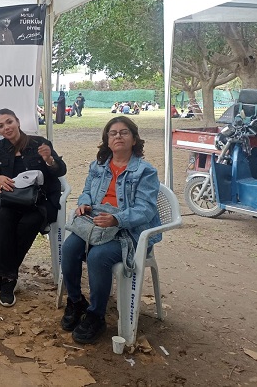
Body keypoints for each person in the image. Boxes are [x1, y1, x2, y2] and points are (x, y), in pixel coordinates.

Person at [60, 116, 160, 344]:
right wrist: (84, 203)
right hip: (96, 225)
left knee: (98, 257)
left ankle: (96, 315)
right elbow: (86, 191)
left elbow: (145, 210)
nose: (118, 136)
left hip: (127, 232)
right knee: (69, 248)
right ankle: (76, 302)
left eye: (124, 132)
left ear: (134, 139)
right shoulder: (98, 167)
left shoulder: (145, 171)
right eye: (113, 133)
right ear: (107, 139)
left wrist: (116, 219)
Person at [0, 109, 67, 306]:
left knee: (29, 223)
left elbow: (60, 170)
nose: (6, 128)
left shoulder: (39, 143)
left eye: (9, 122)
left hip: (40, 202)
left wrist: (49, 160)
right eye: (1, 126)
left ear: (17, 121)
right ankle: (7, 276)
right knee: (4, 218)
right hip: (13, 200)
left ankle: (5, 278)